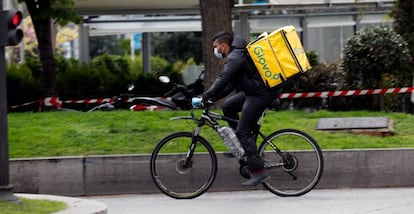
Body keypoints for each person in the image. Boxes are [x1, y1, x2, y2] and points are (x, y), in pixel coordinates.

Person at [202, 31, 283, 186]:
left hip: (261, 93)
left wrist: (205, 96)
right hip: (255, 91)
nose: (215, 51)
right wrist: (212, 99)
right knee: (228, 106)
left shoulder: (234, 57)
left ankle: (259, 171)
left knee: (242, 130)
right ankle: (244, 146)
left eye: (216, 47)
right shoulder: (236, 55)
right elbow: (231, 85)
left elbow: (223, 79)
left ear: (224, 45)